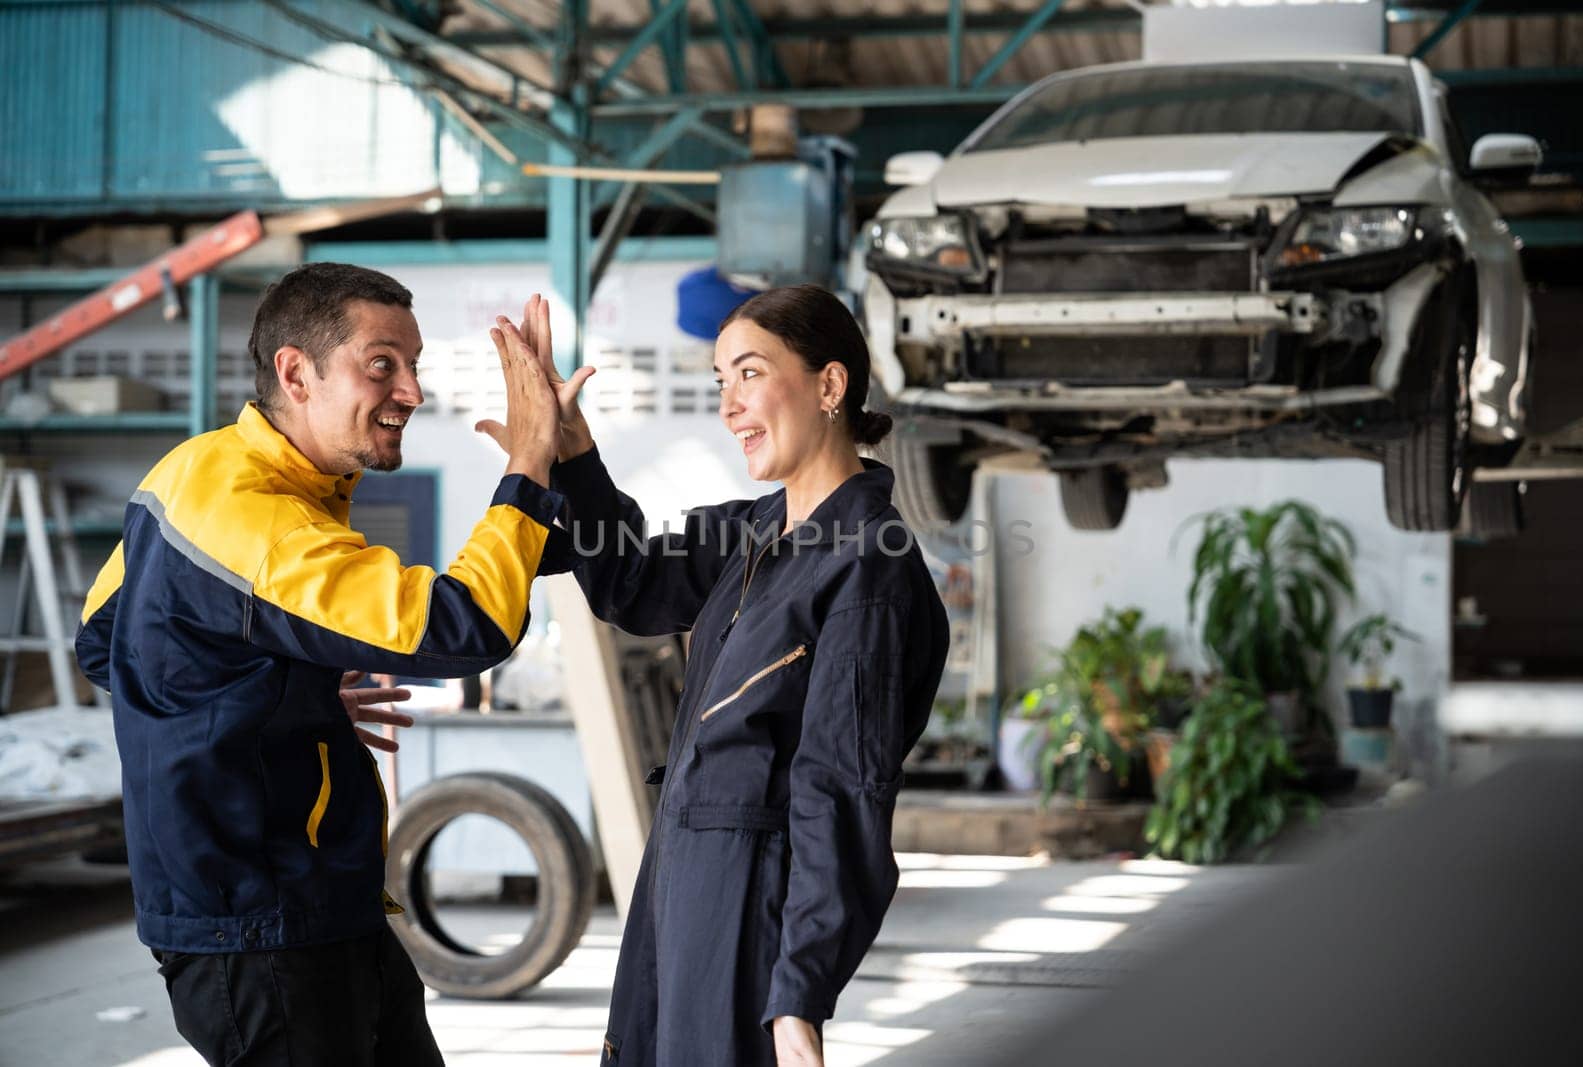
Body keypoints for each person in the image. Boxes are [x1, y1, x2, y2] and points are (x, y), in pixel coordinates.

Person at [73, 263, 580, 1067]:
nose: (410, 391)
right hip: (262, 928)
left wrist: (279, 689)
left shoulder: (192, 472)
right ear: (295, 373)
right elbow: (463, 624)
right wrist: (528, 465)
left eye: (413, 366)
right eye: (382, 364)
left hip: (315, 908)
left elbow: (105, 640)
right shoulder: (254, 519)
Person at [502, 283, 951, 1067]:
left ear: (830, 385)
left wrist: (798, 996)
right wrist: (567, 452)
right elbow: (631, 582)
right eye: (719, 382)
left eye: (748, 373)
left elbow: (841, 789)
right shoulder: (751, 534)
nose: (729, 404)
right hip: (679, 883)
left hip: (749, 908)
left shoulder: (866, 569)